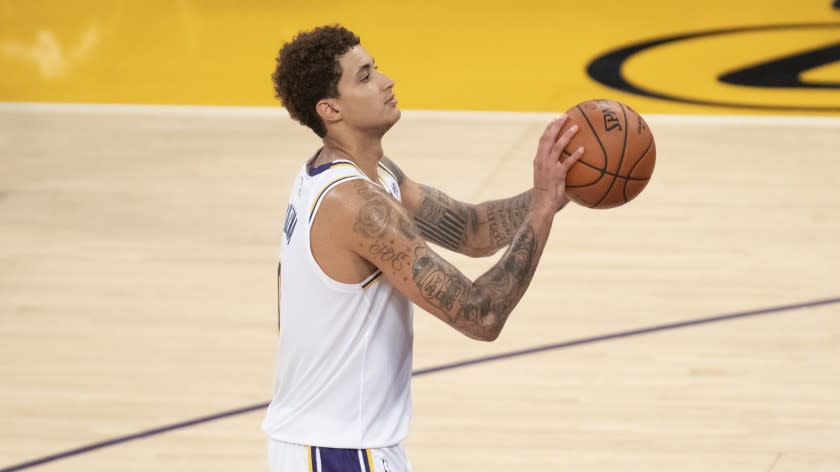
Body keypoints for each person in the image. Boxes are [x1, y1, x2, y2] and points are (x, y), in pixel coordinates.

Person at [262, 24, 583, 472]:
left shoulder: (368, 173)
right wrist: (542, 212)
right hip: (337, 450)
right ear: (330, 109)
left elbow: (473, 229)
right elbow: (481, 315)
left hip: (344, 444)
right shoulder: (356, 205)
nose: (386, 81)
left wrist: (553, 192)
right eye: (365, 76)